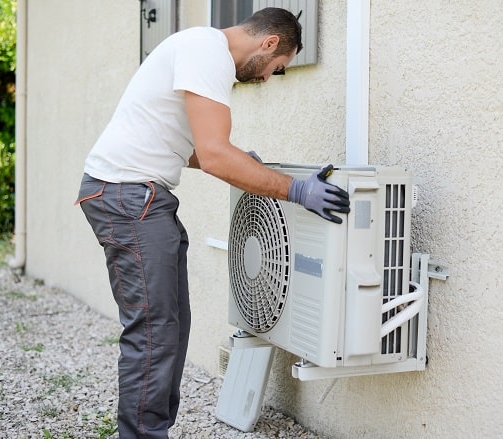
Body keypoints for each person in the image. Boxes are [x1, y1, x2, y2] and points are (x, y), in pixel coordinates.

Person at [75, 7, 350, 439]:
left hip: (134, 195)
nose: (266, 79)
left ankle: (151, 430)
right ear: (269, 43)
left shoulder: (197, 50)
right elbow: (218, 154)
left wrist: (244, 165)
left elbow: (185, 148)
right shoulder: (208, 52)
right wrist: (296, 190)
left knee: (171, 324)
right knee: (154, 332)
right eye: (277, 69)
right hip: (130, 198)